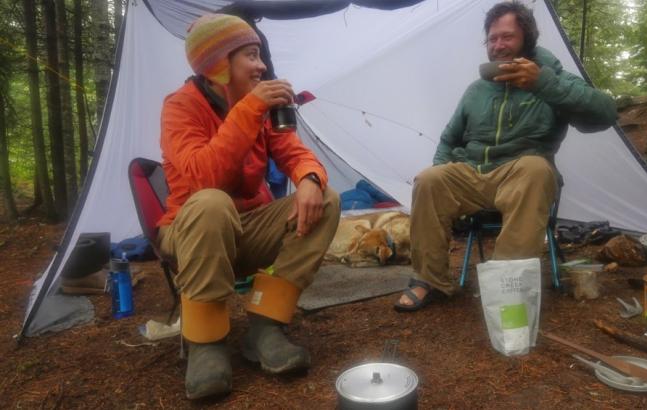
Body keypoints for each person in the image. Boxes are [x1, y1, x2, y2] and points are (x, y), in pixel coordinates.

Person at [157, 14, 340, 399]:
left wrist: (308, 178)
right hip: (192, 230)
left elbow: (296, 153)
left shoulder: (257, 108)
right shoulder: (180, 107)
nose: (262, 66)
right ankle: (206, 344)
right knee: (211, 203)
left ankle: (266, 327)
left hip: (249, 229)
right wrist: (248, 109)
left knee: (326, 196)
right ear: (219, 64)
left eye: (260, 56)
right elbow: (203, 179)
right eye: (252, 56)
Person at [394, 1, 617, 311]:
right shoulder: (476, 90)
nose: (498, 45)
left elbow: (605, 114)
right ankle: (431, 281)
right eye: (493, 38)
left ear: (527, 37)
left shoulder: (552, 78)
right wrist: (445, 174)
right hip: (474, 173)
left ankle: (506, 281)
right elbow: (448, 139)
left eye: (507, 37)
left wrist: (543, 84)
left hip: (521, 173)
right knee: (429, 179)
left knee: (535, 169)